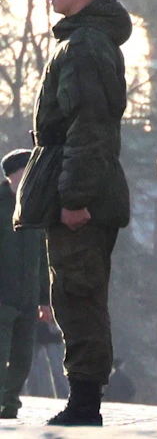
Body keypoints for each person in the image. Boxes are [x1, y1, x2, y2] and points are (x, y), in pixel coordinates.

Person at [19, 0, 132, 426]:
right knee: (74, 293)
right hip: (77, 185)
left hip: (82, 194)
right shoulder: (82, 41)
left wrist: (74, 197)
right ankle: (84, 397)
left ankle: (85, 402)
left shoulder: (85, 47)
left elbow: (89, 128)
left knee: (79, 294)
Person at [0, 150, 49, 419]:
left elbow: (43, 258)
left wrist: (44, 299)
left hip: (28, 299)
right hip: (3, 297)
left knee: (23, 359)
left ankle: (9, 403)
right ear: (12, 175)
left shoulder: (36, 206)